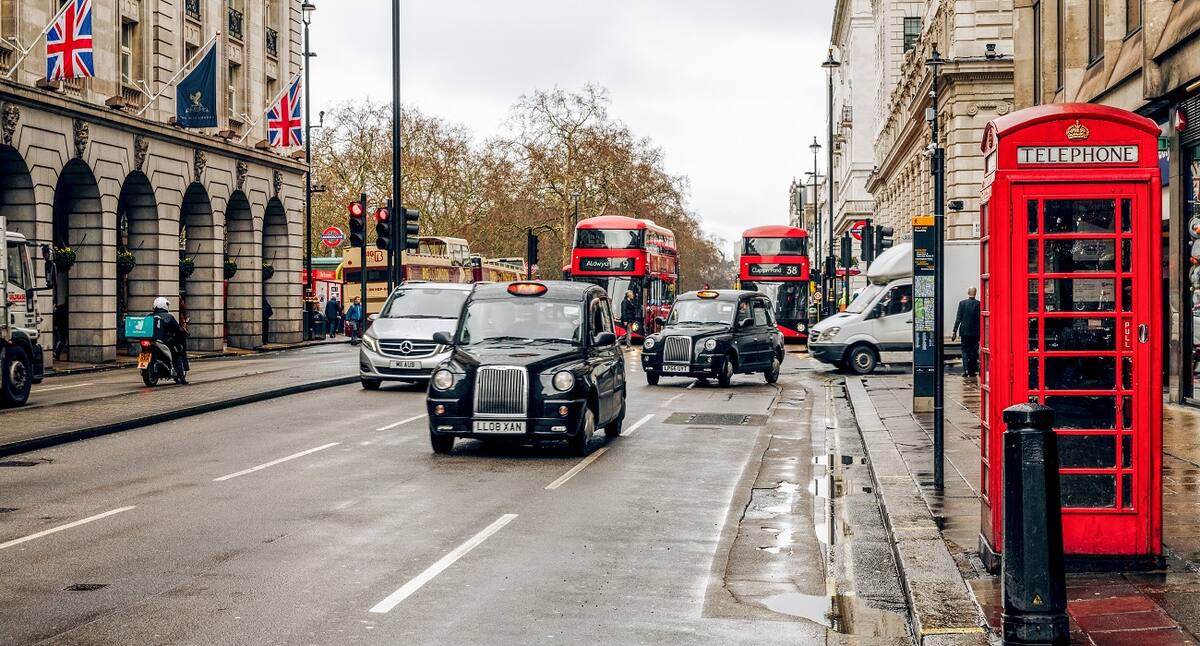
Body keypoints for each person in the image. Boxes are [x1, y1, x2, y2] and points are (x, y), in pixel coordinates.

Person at [150, 296, 189, 385]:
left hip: (151, 340)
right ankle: (180, 376)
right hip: (163, 341)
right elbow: (178, 329)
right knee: (177, 351)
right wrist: (183, 332)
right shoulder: (168, 317)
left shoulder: (150, 316)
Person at [953, 287, 982, 379]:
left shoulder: (962, 304)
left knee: (965, 352)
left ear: (968, 292)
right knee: (973, 352)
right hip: (975, 333)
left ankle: (965, 370)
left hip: (964, 332)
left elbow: (958, 319)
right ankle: (972, 371)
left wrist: (954, 331)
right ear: (975, 293)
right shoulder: (979, 304)